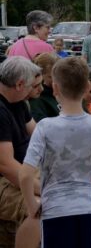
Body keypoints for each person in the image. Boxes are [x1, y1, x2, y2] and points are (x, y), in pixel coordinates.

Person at [19, 57, 91, 248]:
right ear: (86, 87)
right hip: (86, 209)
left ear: (55, 88)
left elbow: (25, 175)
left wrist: (31, 204)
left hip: (55, 211)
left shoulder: (45, 127)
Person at [0, 57, 42, 248]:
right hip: (5, 180)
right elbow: (6, 166)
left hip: (23, 172)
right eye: (32, 86)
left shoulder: (18, 102)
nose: (35, 91)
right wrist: (41, 188)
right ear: (19, 84)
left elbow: (40, 135)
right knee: (44, 209)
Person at [29, 52, 60, 122]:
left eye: (60, 75)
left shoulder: (63, 91)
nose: (57, 80)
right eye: (51, 77)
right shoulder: (37, 97)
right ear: (40, 75)